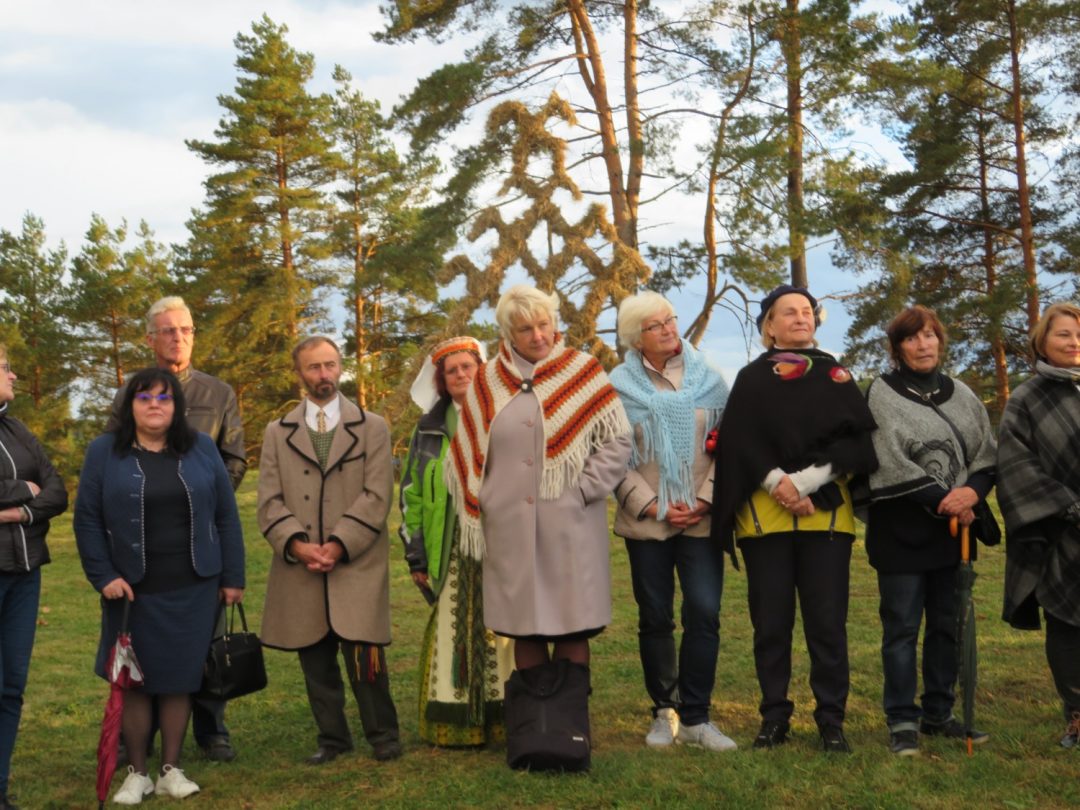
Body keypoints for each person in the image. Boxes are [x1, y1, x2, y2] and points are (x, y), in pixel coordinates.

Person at [711, 285, 878, 753]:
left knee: (827, 625)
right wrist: (777, 484)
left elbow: (856, 443)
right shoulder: (752, 379)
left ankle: (831, 720)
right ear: (769, 325)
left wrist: (805, 482)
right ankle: (774, 717)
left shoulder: (835, 375)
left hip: (827, 522)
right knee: (771, 625)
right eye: (789, 312)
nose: (801, 317)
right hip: (765, 521)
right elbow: (739, 441)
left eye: (807, 311)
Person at [75, 368, 245, 805]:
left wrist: (233, 577)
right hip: (132, 591)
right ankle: (137, 774)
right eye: (145, 397)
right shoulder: (103, 452)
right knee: (134, 680)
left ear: (177, 406)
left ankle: (171, 770)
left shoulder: (202, 447)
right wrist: (103, 576)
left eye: (164, 398)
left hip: (194, 587)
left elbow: (226, 515)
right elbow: (87, 519)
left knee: (179, 679)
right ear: (129, 405)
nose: (154, 404)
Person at [445, 285, 631, 679]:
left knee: (572, 624)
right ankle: (533, 712)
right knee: (523, 628)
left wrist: (584, 490)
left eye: (544, 324)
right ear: (508, 334)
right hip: (509, 525)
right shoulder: (487, 379)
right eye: (525, 329)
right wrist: (488, 498)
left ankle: (569, 713)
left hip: (570, 524)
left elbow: (617, 440)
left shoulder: (582, 371)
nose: (538, 335)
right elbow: (469, 447)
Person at [107, 295, 246, 763]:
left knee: (204, 639)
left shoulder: (218, 393)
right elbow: (113, 454)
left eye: (185, 330)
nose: (178, 338)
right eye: (168, 330)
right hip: (142, 540)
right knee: (139, 639)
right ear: (150, 339)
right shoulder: (130, 392)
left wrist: (199, 501)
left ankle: (211, 728)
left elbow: (234, 459)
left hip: (200, 540)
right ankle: (136, 736)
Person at [257, 336, 401, 764]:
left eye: (331, 365)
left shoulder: (373, 427)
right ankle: (332, 739)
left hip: (356, 561)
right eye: (314, 367)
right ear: (299, 373)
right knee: (315, 661)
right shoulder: (277, 432)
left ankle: (384, 735)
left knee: (365, 656)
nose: (324, 374)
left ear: (341, 367)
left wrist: (339, 545)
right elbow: (268, 500)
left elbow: (378, 495)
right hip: (302, 565)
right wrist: (298, 546)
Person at [862, 306, 995, 756]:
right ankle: (902, 721)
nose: (923, 345)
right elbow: (887, 460)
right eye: (911, 338)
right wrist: (945, 499)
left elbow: (986, 455)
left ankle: (939, 713)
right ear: (897, 348)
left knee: (946, 627)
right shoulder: (882, 393)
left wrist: (971, 494)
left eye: (930, 335)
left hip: (955, 532)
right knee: (901, 629)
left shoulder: (962, 394)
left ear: (940, 340)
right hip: (901, 532)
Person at [608, 292, 734, 752]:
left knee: (704, 611)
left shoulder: (710, 378)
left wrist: (705, 499)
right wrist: (652, 504)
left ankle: (698, 717)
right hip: (647, 524)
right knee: (655, 616)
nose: (668, 329)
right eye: (655, 325)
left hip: (701, 519)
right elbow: (610, 457)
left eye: (670, 320)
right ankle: (665, 712)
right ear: (635, 337)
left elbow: (731, 445)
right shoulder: (617, 386)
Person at [399, 336, 514, 746]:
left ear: (482, 370)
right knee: (453, 627)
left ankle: (504, 718)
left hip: (499, 541)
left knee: (502, 627)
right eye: (452, 370)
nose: (461, 374)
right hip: (447, 544)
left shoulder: (506, 415)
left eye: (468, 366)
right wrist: (415, 555)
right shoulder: (429, 429)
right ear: (442, 380)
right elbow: (412, 493)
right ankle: (455, 721)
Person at [997, 302, 1080, 748]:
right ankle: (1077, 716)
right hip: (1058, 531)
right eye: (1063, 334)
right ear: (1043, 341)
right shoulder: (1027, 399)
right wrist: (1070, 506)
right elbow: (1016, 466)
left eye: (1079, 335)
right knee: (1067, 622)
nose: (1074, 342)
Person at [0, 346, 68, 810]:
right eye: (6, 368)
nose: (14, 375)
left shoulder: (18, 429)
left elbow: (57, 490)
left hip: (25, 575)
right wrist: (23, 489)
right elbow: (37, 485)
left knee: (11, 686)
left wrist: (17, 512)